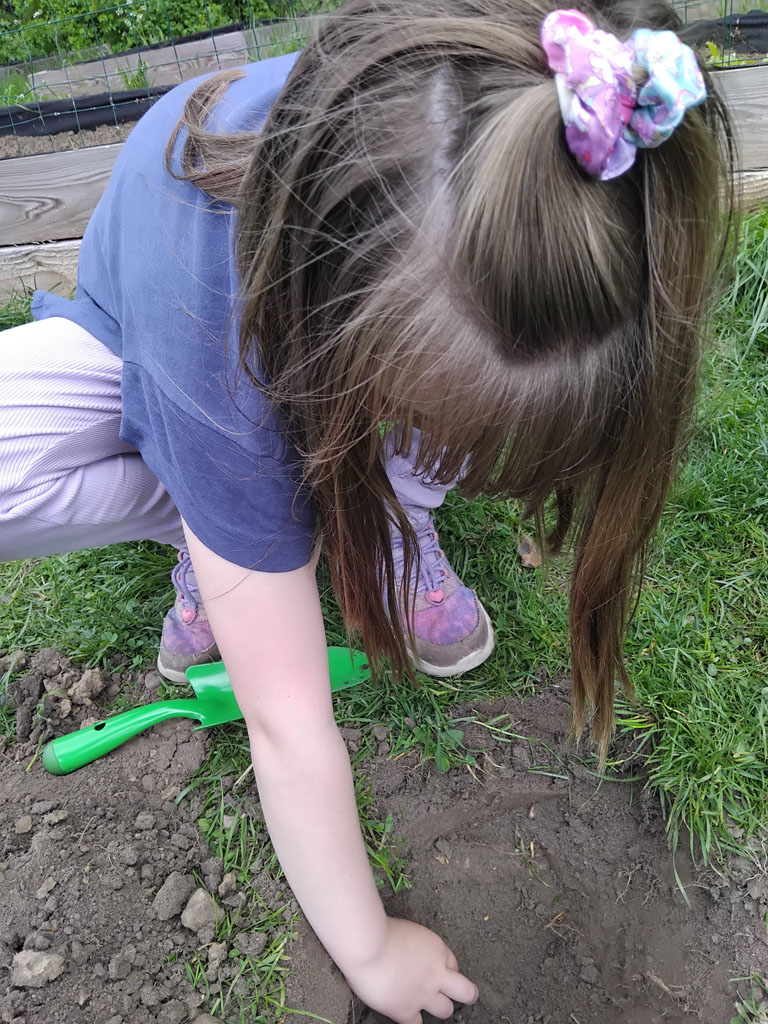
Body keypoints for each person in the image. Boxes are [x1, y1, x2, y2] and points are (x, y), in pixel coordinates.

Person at [0, 0, 731, 1019]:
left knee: (421, 419)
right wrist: (370, 945)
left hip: (345, 324)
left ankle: (359, 518)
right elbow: (288, 721)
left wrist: (430, 443)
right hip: (157, 329)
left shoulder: (511, 166)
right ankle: (213, 525)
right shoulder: (208, 323)